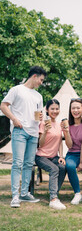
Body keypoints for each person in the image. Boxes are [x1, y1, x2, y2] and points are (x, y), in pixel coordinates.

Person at [1, 66, 47, 208]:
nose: (41, 82)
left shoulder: (38, 96)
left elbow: (40, 115)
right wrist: (14, 119)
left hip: (33, 133)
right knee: (18, 164)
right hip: (19, 131)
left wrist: (40, 117)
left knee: (28, 164)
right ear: (34, 76)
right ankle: (15, 196)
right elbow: (3, 105)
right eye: (41, 79)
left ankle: (24, 193)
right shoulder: (16, 90)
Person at [35, 99, 66, 210]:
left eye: (57, 108)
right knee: (54, 169)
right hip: (41, 156)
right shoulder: (43, 123)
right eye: (52, 108)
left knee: (62, 167)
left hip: (54, 156)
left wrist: (61, 156)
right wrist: (44, 132)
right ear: (47, 110)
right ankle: (53, 199)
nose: (55, 111)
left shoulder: (59, 124)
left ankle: (54, 193)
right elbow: (40, 144)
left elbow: (60, 142)